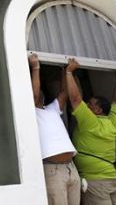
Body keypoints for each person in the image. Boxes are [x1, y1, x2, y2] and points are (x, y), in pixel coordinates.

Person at [65, 58, 116, 205]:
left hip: (97, 183)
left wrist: (68, 72)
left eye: (91, 104)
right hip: (114, 180)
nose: (87, 105)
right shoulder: (112, 122)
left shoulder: (90, 122)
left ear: (98, 110)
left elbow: (75, 99)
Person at [29, 53, 80, 205]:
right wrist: (36, 67)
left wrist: (65, 70)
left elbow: (64, 93)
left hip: (71, 167)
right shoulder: (32, 112)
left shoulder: (51, 109)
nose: (39, 96)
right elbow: (34, 94)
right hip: (53, 170)